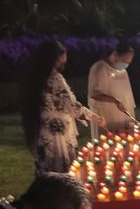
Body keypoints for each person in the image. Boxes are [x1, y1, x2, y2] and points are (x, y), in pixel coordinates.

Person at [21, 39, 105, 175]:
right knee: (61, 169)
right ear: (56, 57)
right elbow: (71, 105)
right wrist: (93, 116)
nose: (66, 57)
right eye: (64, 53)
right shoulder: (55, 79)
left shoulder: (35, 78)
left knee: (47, 170)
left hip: (42, 131)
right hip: (57, 134)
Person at [87, 39, 136, 138]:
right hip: (106, 118)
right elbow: (94, 94)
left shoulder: (122, 71)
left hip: (124, 116)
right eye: (124, 61)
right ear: (115, 55)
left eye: (128, 62)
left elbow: (127, 94)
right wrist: (115, 101)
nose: (125, 64)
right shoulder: (99, 68)